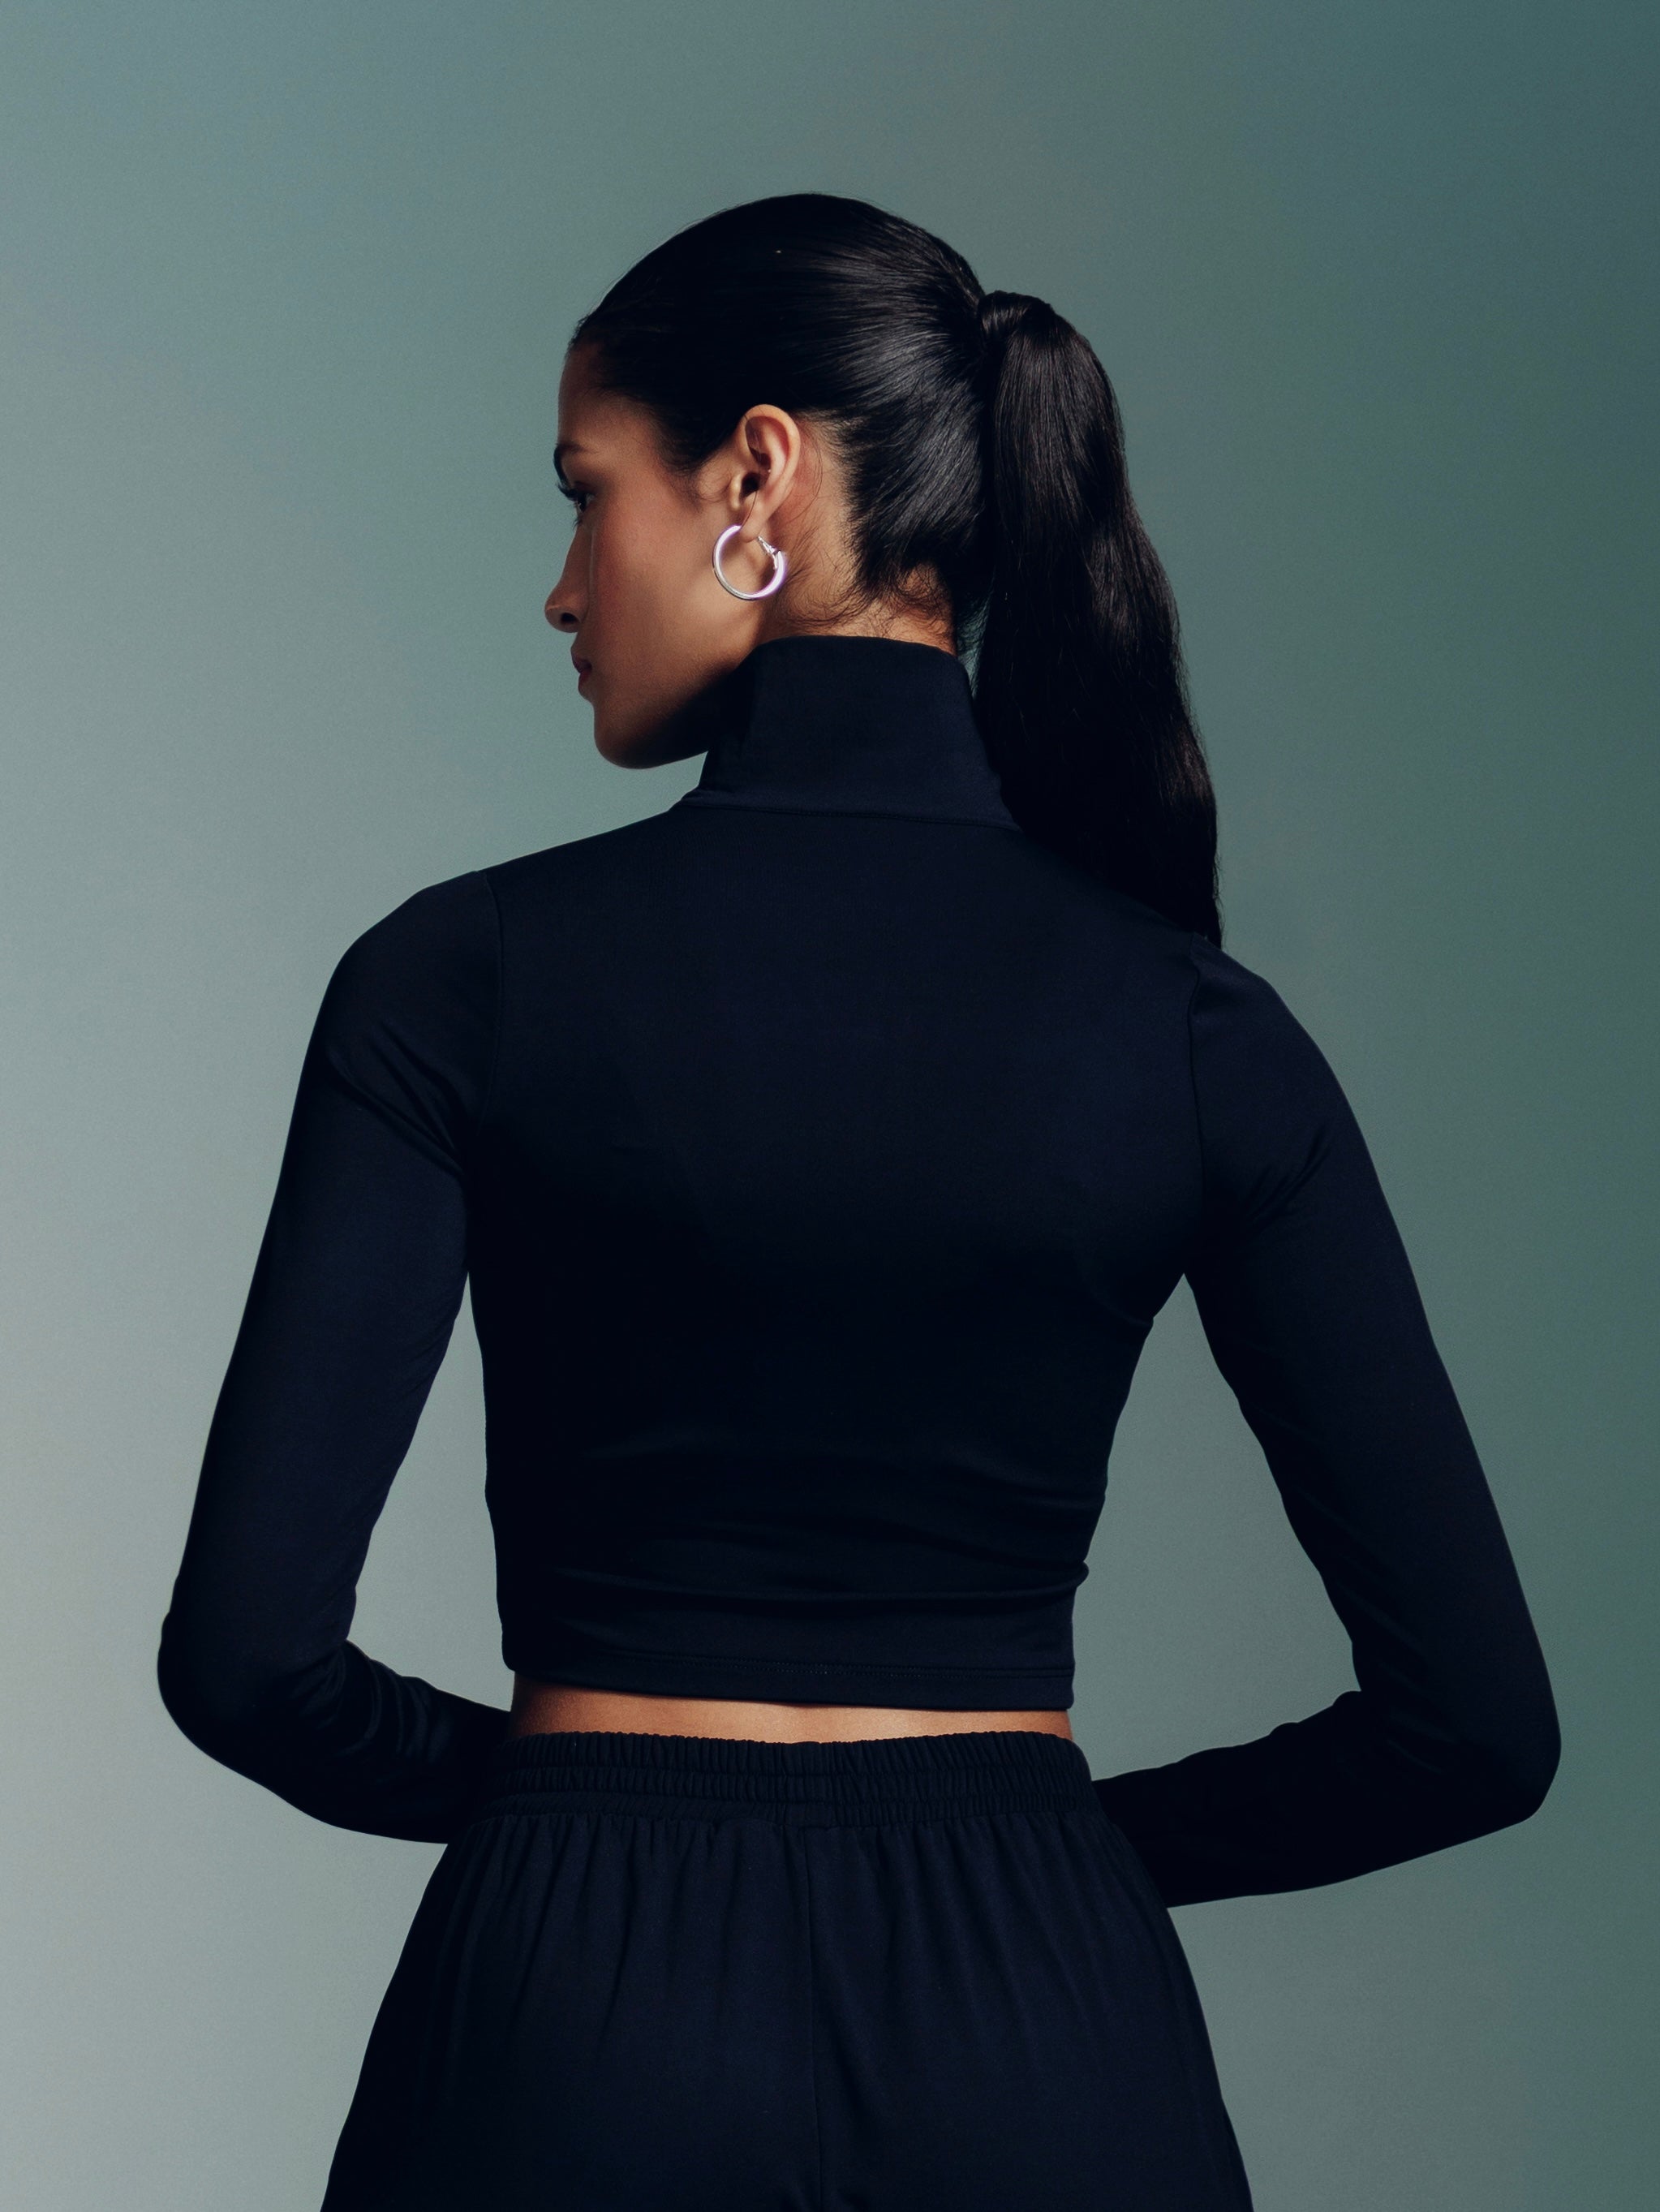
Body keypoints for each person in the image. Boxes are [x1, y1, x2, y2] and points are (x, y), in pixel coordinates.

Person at [156, 193, 1560, 2210]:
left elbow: (246, 1662)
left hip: (570, 2025)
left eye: (585, 494)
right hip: (1047, 2023)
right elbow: (1476, 1728)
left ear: (756, 474)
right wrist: (1047, 1845)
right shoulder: (1194, 1030)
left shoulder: (460, 980)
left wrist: (575, 1805)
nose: (562, 589)